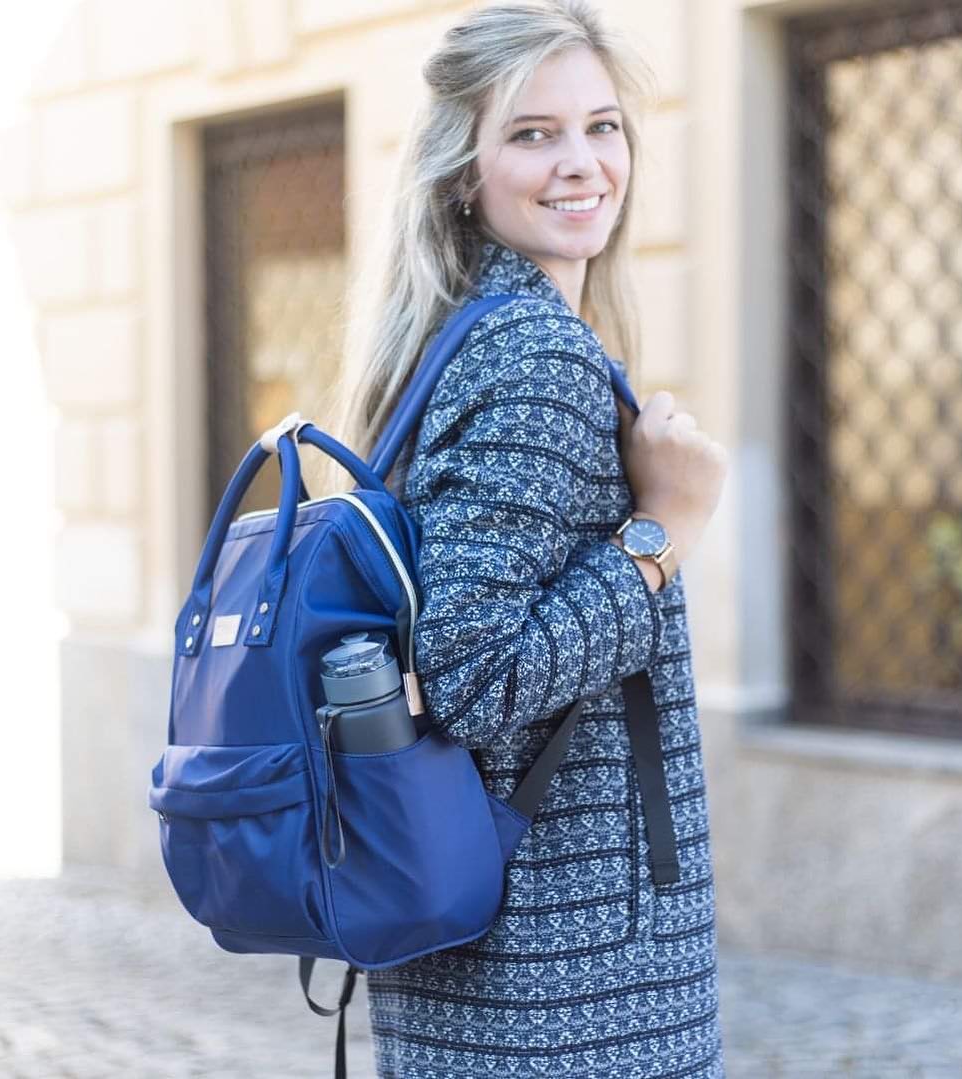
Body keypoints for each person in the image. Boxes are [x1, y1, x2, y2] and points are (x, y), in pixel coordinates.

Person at [332, 1, 729, 1074]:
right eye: (531, 133)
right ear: (464, 172)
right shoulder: (533, 360)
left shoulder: (455, 340)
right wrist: (663, 530)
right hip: (564, 980)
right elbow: (474, 673)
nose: (581, 162)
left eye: (601, 126)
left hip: (486, 947)